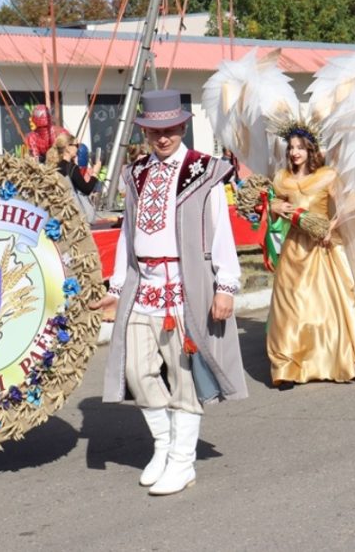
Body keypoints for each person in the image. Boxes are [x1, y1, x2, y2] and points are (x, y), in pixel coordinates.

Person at [91, 89, 245, 496]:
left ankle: (182, 460)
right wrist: (117, 287)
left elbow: (220, 230)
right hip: (144, 288)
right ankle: (163, 445)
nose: (163, 137)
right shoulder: (136, 173)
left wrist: (226, 283)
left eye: (171, 128)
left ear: (182, 126)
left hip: (185, 287)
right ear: (145, 131)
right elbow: (127, 232)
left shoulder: (204, 171)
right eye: (155, 130)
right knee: (136, 370)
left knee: (183, 377)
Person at [266, 128, 355, 389]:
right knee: (289, 308)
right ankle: (287, 366)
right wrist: (274, 207)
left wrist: (331, 226)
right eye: (291, 148)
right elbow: (273, 211)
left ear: (310, 150)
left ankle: (339, 361)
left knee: (326, 306)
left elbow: (346, 206)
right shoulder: (281, 178)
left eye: (300, 148)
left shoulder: (327, 176)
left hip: (322, 245)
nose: (294, 152)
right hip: (294, 247)